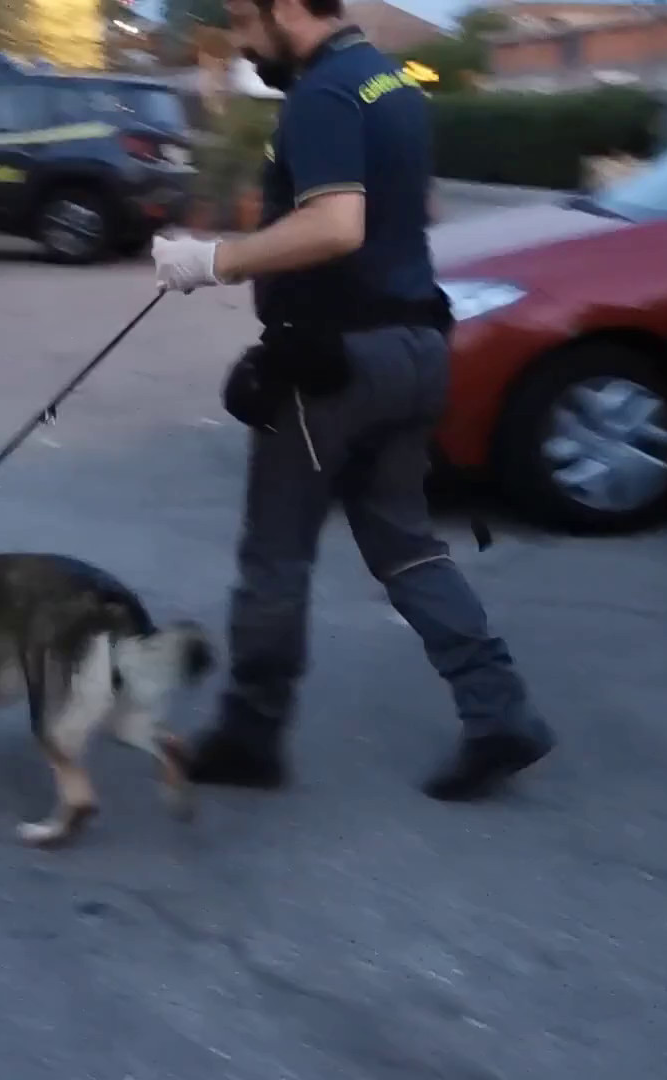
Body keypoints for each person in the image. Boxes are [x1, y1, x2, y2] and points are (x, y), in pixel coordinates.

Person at [151, 0, 555, 801]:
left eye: (242, 20)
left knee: (276, 553)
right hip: (413, 349)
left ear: (292, 9)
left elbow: (337, 226)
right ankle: (498, 710)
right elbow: (417, 213)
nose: (239, 41)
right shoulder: (391, 84)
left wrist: (214, 258)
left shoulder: (325, 94)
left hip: (332, 366)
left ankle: (250, 735)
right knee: (405, 543)